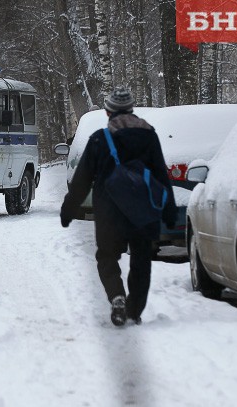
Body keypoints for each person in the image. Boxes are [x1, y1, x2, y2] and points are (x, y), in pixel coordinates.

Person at [59, 87, 177, 327]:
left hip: (109, 212)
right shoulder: (149, 135)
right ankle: (134, 310)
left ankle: (117, 296)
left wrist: (69, 209)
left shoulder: (100, 139)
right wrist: (169, 209)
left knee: (107, 257)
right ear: (132, 109)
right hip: (143, 212)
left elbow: (81, 180)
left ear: (108, 111)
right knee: (141, 260)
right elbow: (161, 175)